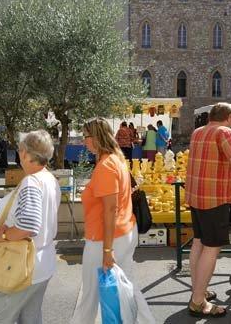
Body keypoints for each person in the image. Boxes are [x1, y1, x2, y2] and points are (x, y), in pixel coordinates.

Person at [71, 118, 153, 323]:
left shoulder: (106, 165)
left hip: (105, 238)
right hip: (124, 232)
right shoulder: (116, 159)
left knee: (90, 294)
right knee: (128, 286)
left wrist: (107, 251)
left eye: (86, 137)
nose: (84, 141)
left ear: (97, 138)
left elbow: (109, 209)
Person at [0, 130, 61, 323]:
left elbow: (28, 226)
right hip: (40, 263)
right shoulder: (49, 179)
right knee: (31, 318)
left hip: (21, 266)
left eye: (19, 150)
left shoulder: (31, 183)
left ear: (25, 153)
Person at [186, 103, 231, 318]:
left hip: (195, 196)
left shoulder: (198, 132)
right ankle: (198, 302)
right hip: (214, 198)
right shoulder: (225, 132)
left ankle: (199, 290)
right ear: (230, 118)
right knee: (212, 248)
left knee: (199, 242)